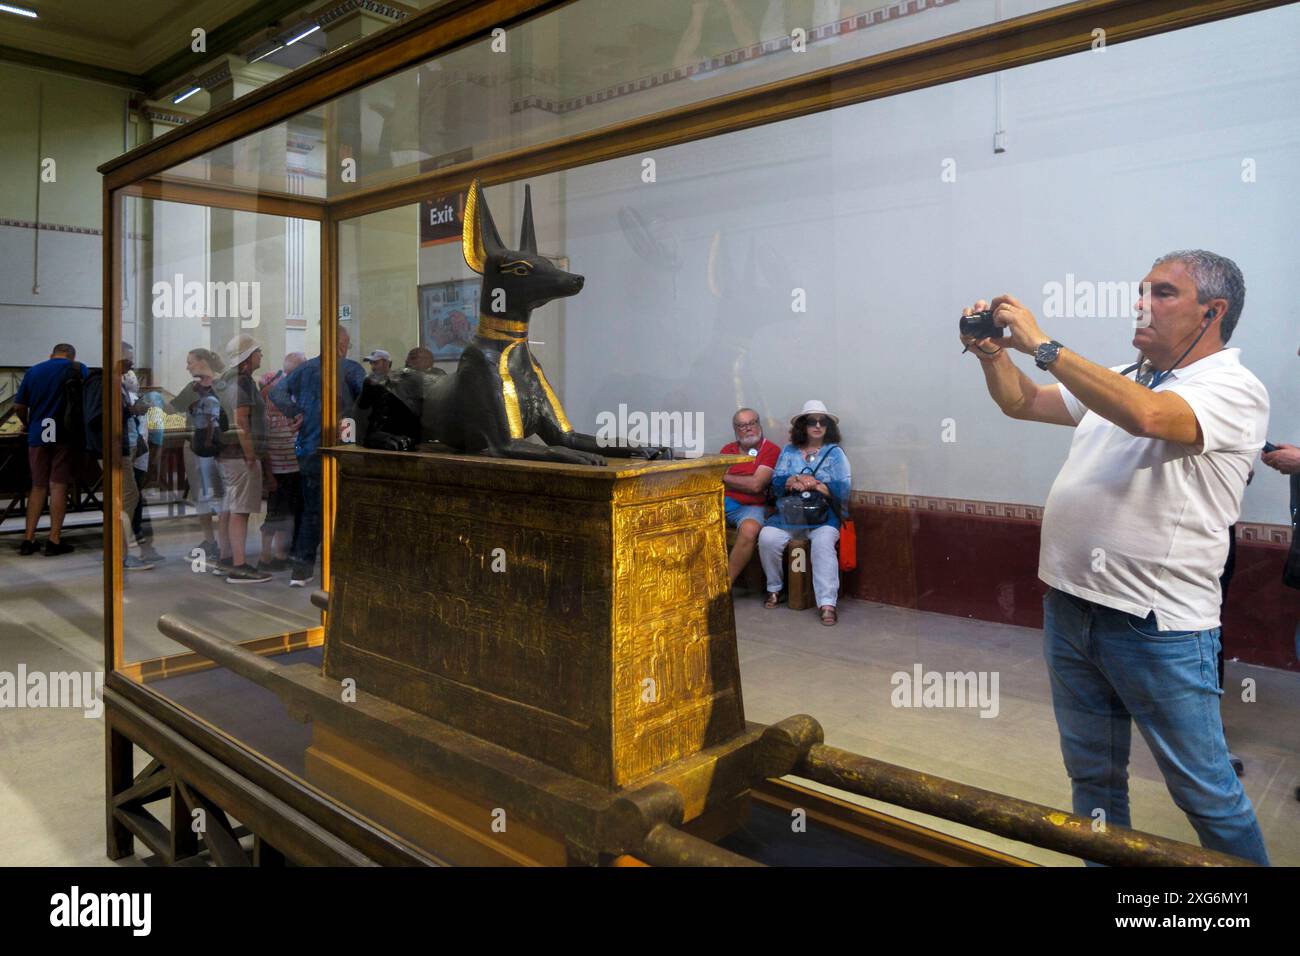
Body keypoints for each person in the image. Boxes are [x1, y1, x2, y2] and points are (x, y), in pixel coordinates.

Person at [962, 249, 1269, 865]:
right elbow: (1023, 403)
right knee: (1094, 783)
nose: (1142, 304)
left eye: (1163, 293)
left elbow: (1148, 417)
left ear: (1213, 312)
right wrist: (993, 353)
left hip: (1156, 627)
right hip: (1072, 610)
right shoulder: (1125, 377)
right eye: (1142, 291)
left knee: (1206, 795)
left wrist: (1043, 344)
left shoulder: (1232, 387)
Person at [268, 327, 365, 587]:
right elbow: (367, 399)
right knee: (345, 510)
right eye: (347, 342)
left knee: (312, 510)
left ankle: (302, 571)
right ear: (342, 343)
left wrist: (295, 413)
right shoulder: (351, 368)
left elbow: (275, 392)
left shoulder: (304, 369)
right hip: (342, 448)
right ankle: (341, 567)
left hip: (308, 449)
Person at [757, 400, 851, 626]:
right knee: (767, 538)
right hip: (789, 515)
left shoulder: (835, 453)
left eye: (823, 422)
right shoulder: (789, 451)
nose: (818, 426)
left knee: (823, 544)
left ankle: (827, 603)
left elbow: (843, 488)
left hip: (823, 517)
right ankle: (774, 588)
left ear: (829, 427)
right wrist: (795, 480)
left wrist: (815, 484)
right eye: (812, 422)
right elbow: (777, 482)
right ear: (803, 426)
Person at [13, 343, 87, 556]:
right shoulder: (77, 368)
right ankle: (54, 540)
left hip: (38, 433)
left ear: (51, 355)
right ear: (72, 357)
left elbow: (19, 406)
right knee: (58, 486)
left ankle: (28, 539)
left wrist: (27, 423)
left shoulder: (33, 371)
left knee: (37, 486)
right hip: (64, 434)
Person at [215, 335, 273, 584]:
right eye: (257, 351)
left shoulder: (227, 381)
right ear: (248, 358)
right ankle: (239, 566)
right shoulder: (243, 383)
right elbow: (241, 422)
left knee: (231, 507)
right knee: (241, 510)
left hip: (229, 455)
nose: (261, 355)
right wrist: (251, 454)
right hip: (240, 456)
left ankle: (226, 557)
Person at [168, 349, 226, 563]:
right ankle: (210, 541)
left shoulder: (222, 385)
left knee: (219, 495)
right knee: (201, 494)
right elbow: (173, 411)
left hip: (216, 447)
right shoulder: (192, 388)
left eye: (190, 362)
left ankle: (224, 541)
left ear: (202, 362)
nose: (188, 367)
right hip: (195, 445)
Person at [257, 353, 305, 573]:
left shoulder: (293, 403)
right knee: (275, 512)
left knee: (287, 512)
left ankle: (280, 554)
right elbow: (264, 445)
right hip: (277, 468)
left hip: (293, 465)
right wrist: (268, 474)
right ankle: (266, 555)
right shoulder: (268, 411)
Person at [719, 407, 779, 584]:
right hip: (724, 502)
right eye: (742, 425)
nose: (748, 428)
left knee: (750, 529)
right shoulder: (727, 449)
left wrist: (725, 477)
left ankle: (723, 586)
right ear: (735, 429)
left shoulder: (771, 450)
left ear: (759, 425)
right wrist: (738, 480)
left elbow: (756, 485)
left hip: (753, 508)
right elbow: (714, 480)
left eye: (752, 423)